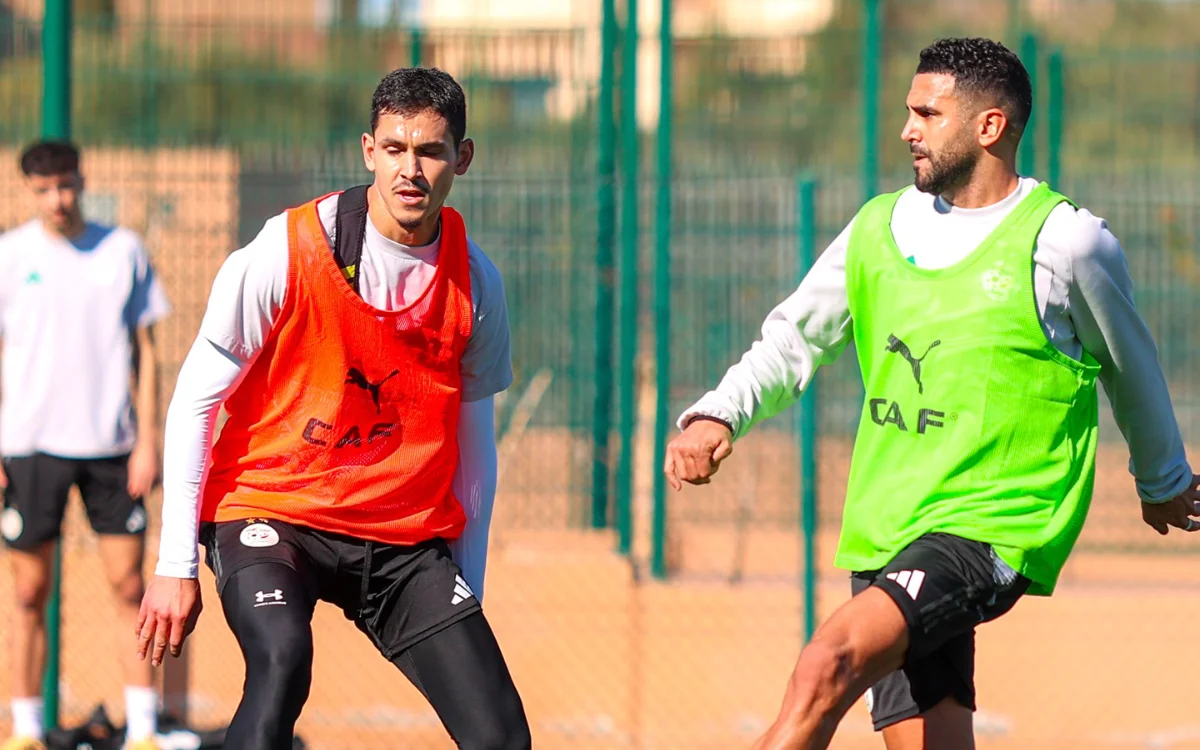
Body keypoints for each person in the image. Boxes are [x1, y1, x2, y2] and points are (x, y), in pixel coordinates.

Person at [664, 37, 1200, 750]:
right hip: (887, 526)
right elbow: (794, 337)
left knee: (826, 664)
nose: (907, 128)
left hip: (990, 525)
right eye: (908, 111)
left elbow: (1130, 367)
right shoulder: (877, 227)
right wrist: (719, 411)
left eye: (927, 112)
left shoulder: (1067, 242)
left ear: (989, 127)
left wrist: (1162, 478)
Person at [136, 67, 530, 749]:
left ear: (461, 159)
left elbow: (475, 450)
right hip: (273, 509)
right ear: (369, 150)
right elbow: (196, 402)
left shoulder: (477, 283)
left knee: (501, 736)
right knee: (283, 662)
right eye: (396, 148)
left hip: (402, 533)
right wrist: (175, 564)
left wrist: (467, 587)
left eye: (432, 151)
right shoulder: (286, 251)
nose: (412, 169)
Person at [0, 141, 170, 750]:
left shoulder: (122, 250)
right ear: (28, 190)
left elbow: (147, 351)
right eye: (44, 189)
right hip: (28, 445)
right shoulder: (9, 256)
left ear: (82, 180)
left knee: (131, 587)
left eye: (67, 186)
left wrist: (149, 440)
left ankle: (145, 729)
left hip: (111, 447)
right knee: (26, 592)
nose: (58, 200)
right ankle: (23, 730)